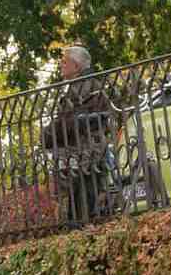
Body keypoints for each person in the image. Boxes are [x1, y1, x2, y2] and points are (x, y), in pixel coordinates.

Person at [42, 45, 120, 224]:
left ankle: (82, 226)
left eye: (64, 61)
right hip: (87, 149)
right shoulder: (87, 84)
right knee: (83, 196)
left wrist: (46, 135)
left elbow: (68, 121)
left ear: (76, 66)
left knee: (82, 202)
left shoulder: (82, 87)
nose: (61, 65)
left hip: (84, 150)